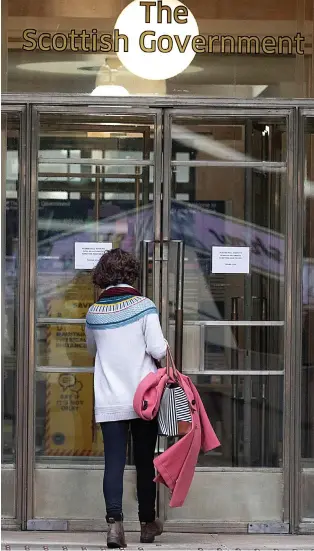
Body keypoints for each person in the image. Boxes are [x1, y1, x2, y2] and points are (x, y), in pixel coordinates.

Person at [85, 248, 167, 549]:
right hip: (143, 398)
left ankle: (115, 527)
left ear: (103, 275)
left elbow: (92, 350)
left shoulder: (94, 312)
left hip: (109, 399)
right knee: (146, 461)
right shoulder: (145, 306)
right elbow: (158, 349)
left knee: (114, 462)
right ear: (132, 273)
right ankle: (147, 524)